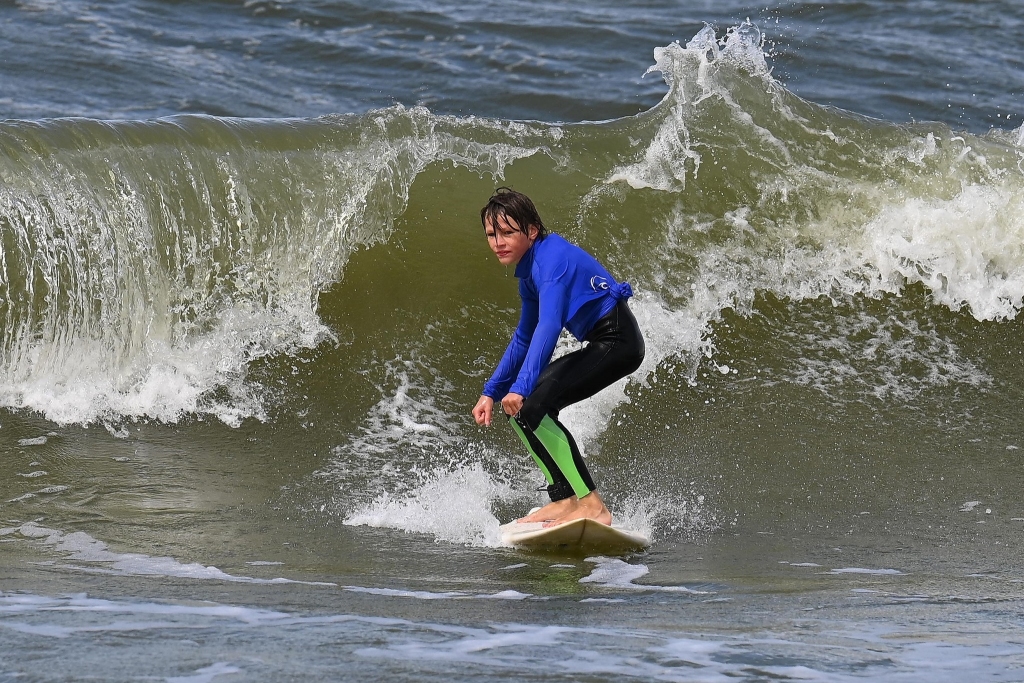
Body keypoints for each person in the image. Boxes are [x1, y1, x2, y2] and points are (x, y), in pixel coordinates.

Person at [472, 188, 645, 527]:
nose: (498, 242)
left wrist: (521, 387)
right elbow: (524, 336)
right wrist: (492, 392)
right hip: (602, 340)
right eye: (492, 234)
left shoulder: (552, 262)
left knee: (533, 404)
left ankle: (592, 506)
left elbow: (549, 326)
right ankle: (564, 498)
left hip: (617, 339)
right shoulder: (531, 270)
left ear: (531, 231)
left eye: (507, 232)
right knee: (521, 410)